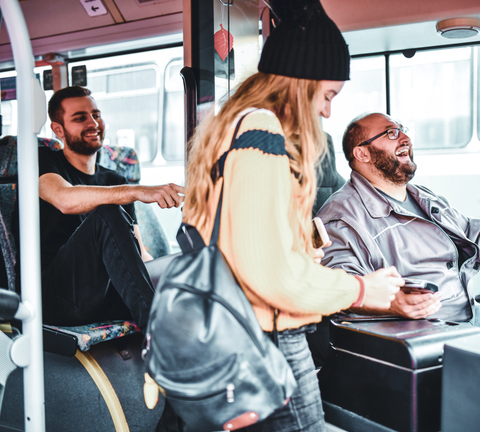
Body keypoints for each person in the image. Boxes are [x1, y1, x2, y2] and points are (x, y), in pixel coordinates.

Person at [171, 2, 402, 431]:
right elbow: (271, 274)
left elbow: (245, 244)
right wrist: (360, 289)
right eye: (328, 95)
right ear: (301, 82)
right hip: (267, 340)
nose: (329, 112)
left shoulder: (233, 127)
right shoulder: (262, 133)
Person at [316, 112, 480, 333]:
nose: (406, 138)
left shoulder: (422, 196)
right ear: (362, 153)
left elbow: (471, 233)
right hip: (422, 332)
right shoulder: (342, 218)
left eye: (403, 130)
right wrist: (394, 302)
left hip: (468, 315)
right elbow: (339, 285)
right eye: (391, 133)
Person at [31, 85, 184, 330]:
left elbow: (138, 253)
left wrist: (175, 277)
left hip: (104, 294)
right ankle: (158, 334)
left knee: (185, 296)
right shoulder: (43, 161)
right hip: (56, 297)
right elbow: (63, 198)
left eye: (96, 114)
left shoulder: (114, 181)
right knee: (107, 211)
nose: (93, 123)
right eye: (80, 118)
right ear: (58, 130)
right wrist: (137, 191)